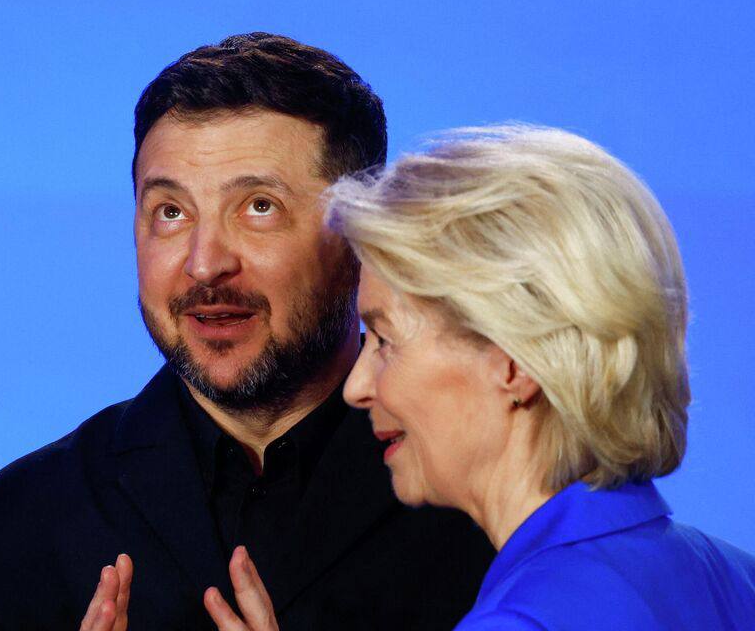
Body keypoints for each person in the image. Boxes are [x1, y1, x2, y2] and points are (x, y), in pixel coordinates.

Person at [0, 33, 494, 630]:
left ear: (361, 236)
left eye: (258, 207)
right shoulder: (7, 532)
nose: (205, 264)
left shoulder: (492, 506)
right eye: (171, 212)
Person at [191, 125, 755, 630]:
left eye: (385, 340)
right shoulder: (738, 579)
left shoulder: (522, 620)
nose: (357, 386)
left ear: (514, 360)